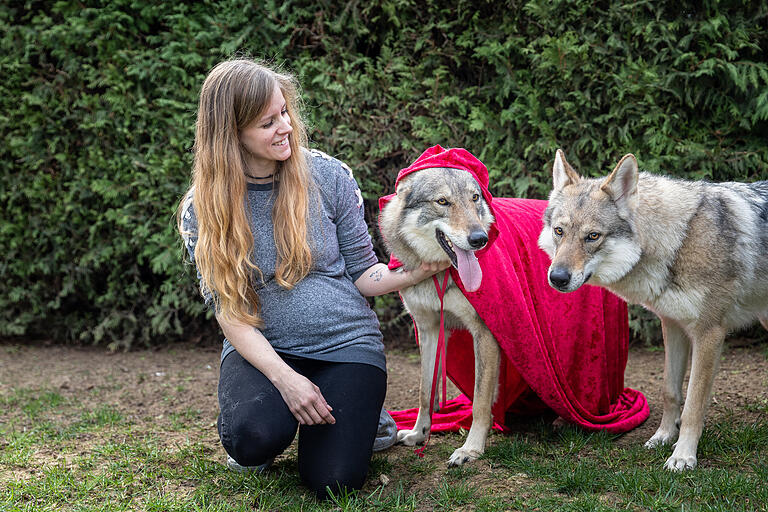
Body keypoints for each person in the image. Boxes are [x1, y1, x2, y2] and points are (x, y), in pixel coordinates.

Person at [176, 59, 446, 500]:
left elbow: (363, 273)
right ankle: (276, 417)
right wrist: (287, 380)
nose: (285, 126)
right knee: (251, 440)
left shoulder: (329, 176)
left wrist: (416, 270)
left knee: (333, 481)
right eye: (268, 121)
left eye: (284, 111)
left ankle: (362, 414)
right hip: (266, 350)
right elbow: (233, 315)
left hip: (346, 344)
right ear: (231, 134)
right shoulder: (203, 208)